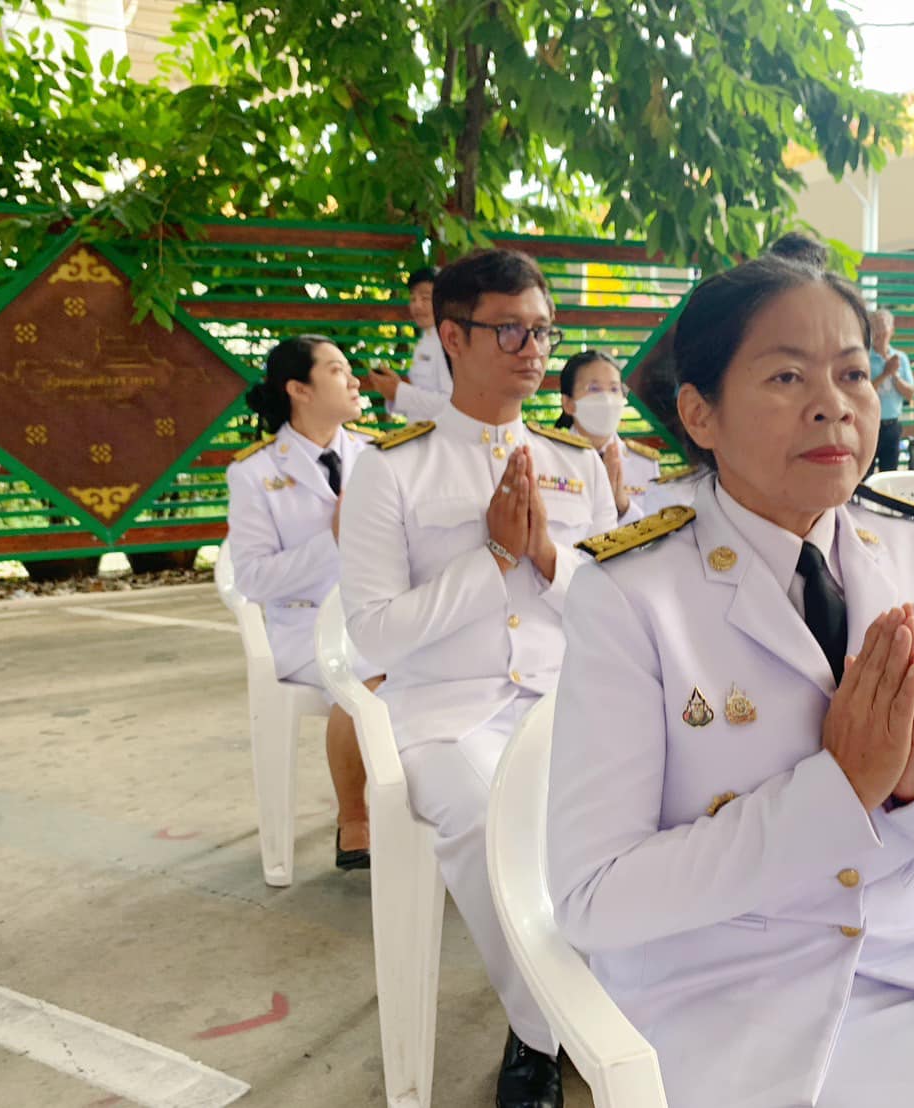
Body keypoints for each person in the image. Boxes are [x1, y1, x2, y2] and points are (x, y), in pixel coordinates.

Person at [546, 255, 914, 1108]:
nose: (832, 404)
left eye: (852, 373)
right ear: (699, 413)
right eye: (785, 376)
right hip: (718, 988)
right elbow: (593, 898)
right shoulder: (631, 591)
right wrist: (839, 790)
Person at [338, 249, 615, 1108]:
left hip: (570, 703)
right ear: (451, 336)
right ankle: (541, 1030)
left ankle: (616, 998)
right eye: (510, 331)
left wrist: (545, 555)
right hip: (446, 715)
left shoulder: (575, 461)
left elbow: (616, 607)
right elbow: (372, 632)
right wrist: (492, 559)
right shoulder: (392, 467)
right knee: (493, 819)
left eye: (542, 332)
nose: (533, 351)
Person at [225, 335, 383, 870]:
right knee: (371, 677)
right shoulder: (253, 472)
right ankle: (354, 817)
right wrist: (333, 542)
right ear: (299, 389)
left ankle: (425, 814)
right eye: (337, 370)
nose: (354, 380)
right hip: (306, 629)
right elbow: (253, 579)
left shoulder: (377, 455)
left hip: (375, 611)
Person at [554, 349, 661, 524]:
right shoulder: (549, 456)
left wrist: (623, 506)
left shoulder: (645, 463)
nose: (606, 399)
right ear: (568, 404)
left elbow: (657, 533)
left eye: (614, 389)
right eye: (594, 388)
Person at [364, 266, 454, 421]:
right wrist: (392, 393)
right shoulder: (425, 341)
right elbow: (418, 406)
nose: (417, 305)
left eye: (425, 298)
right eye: (413, 299)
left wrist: (399, 392)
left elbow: (453, 405)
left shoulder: (450, 343)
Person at [868, 308, 914, 473]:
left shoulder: (900, 358)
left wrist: (894, 374)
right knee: (865, 475)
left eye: (883, 326)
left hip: (892, 426)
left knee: (889, 474)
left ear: (892, 330)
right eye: (875, 326)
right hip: (869, 425)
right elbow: (862, 393)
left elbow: (910, 393)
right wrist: (885, 373)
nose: (879, 331)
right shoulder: (864, 357)